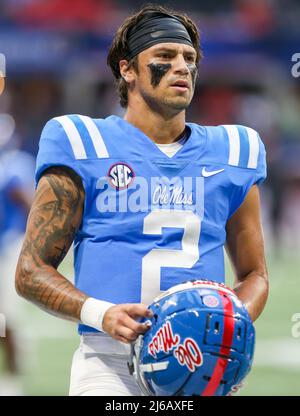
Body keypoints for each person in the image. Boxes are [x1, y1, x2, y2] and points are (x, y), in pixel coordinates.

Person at [15, 4, 269, 396]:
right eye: (164, 57)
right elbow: (30, 270)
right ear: (127, 69)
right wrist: (101, 313)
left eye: (189, 58)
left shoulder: (234, 149)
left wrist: (225, 331)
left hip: (199, 362)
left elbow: (254, 275)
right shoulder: (83, 142)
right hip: (110, 363)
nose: (182, 67)